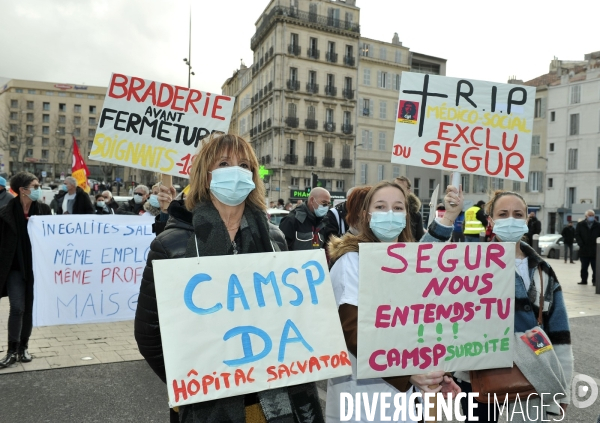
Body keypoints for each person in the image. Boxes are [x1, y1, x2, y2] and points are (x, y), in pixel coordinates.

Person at [134, 133, 323, 423]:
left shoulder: (274, 239)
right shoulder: (171, 245)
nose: (236, 171)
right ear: (205, 175)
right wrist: (193, 380)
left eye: (245, 165)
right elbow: (149, 334)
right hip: (207, 403)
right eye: (224, 162)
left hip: (272, 400)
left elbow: (291, 316)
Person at [326, 181, 462, 422]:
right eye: (381, 206)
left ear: (407, 215)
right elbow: (353, 331)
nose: (390, 214)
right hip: (362, 396)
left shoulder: (410, 261)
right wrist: (407, 372)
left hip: (405, 398)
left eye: (398, 207)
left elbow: (425, 323)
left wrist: (437, 376)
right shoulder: (351, 262)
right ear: (366, 215)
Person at [454, 190, 573, 422]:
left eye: (517, 214)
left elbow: (559, 335)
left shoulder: (543, 271)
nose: (511, 219)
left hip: (532, 378)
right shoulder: (470, 265)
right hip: (478, 382)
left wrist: (562, 390)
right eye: (503, 213)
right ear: (491, 221)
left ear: (527, 219)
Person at [0, 172, 52, 368]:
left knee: (29, 309)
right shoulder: (5, 213)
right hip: (14, 269)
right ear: (22, 190)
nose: (38, 189)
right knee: (17, 308)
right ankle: (11, 350)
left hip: (37, 269)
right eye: (35, 186)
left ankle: (23, 347)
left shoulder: (44, 210)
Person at [394, 176, 424, 241]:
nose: (396, 192)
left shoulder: (415, 215)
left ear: (408, 191)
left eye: (400, 189)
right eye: (395, 188)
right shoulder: (386, 212)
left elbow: (420, 239)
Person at [575, 210, 600, 285]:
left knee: (595, 267)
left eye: (592, 215)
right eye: (590, 215)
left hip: (595, 250)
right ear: (586, 216)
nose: (591, 217)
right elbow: (577, 234)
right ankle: (584, 280)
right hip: (584, 249)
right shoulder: (580, 225)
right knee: (584, 267)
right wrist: (581, 244)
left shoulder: (598, 225)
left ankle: (595, 281)